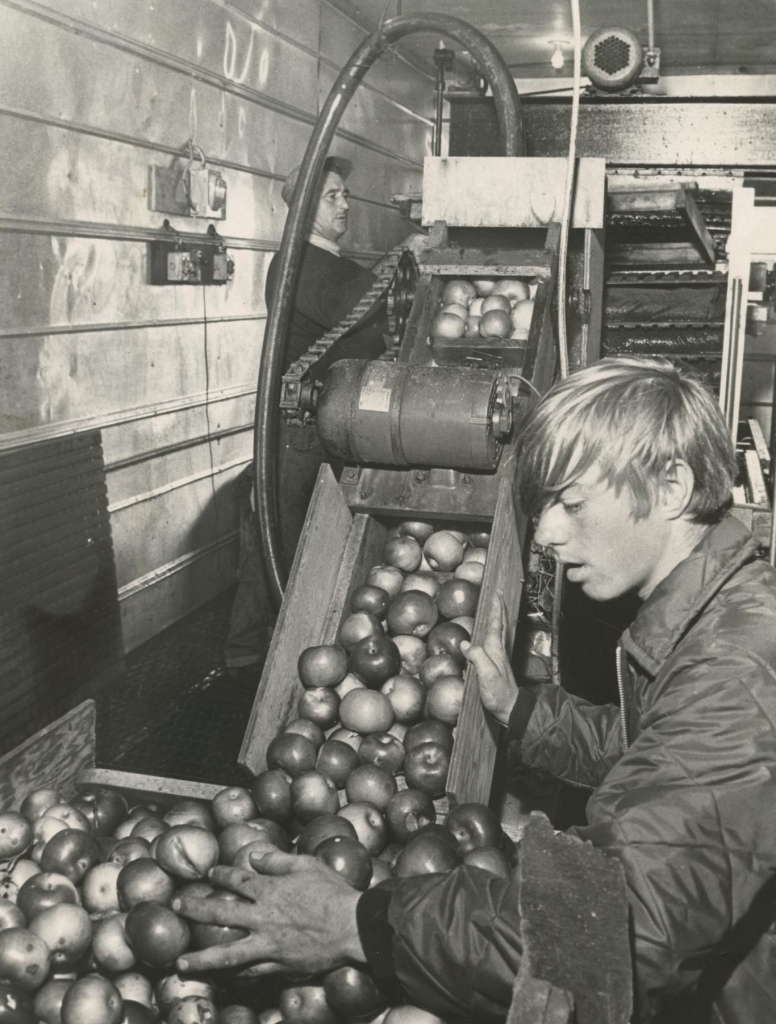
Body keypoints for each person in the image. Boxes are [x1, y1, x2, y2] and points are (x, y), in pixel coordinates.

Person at [183, 357, 776, 1024]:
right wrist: (517, 708)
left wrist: (358, 922)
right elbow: (655, 753)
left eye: (571, 503)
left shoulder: (738, 665)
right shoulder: (714, 618)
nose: (547, 535)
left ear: (671, 487)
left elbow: (607, 940)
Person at [225, 156, 415, 672]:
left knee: (307, 528)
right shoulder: (292, 264)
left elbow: (371, 306)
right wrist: (401, 252)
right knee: (281, 531)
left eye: (344, 194)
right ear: (305, 207)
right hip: (296, 425)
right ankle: (246, 648)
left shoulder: (332, 261)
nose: (345, 203)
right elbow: (343, 308)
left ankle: (290, 632)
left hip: (328, 417)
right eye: (332, 196)